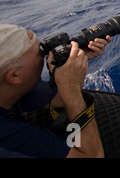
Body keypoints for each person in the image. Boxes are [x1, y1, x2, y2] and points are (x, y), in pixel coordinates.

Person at [0, 24, 111, 158]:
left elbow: (59, 99)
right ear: (14, 76)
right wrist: (70, 88)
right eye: (40, 53)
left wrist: (76, 61)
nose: (46, 56)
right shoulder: (5, 137)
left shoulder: (9, 88)